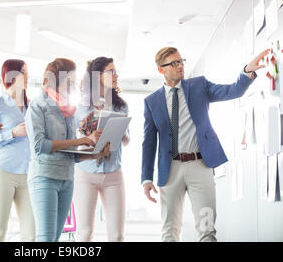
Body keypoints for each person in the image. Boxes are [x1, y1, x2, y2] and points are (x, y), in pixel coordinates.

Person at [141, 46, 269, 242]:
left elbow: (231, 91)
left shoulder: (199, 86)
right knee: (169, 232)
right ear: (161, 69)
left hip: (200, 166)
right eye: (174, 63)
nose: (180, 66)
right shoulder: (151, 101)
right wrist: (146, 178)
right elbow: (149, 141)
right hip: (170, 170)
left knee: (207, 229)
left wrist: (246, 72)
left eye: (181, 61)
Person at [25, 58, 111, 242]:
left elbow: (71, 153)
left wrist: (96, 154)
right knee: (46, 238)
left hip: (66, 179)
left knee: (55, 238)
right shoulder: (37, 106)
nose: (73, 87)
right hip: (44, 178)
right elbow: (40, 145)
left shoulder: (69, 111)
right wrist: (83, 139)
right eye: (69, 82)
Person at [73, 57, 130, 242]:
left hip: (113, 173)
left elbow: (127, 140)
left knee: (116, 235)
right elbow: (73, 142)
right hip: (85, 174)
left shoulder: (121, 106)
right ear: (97, 76)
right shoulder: (80, 107)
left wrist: (119, 131)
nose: (116, 76)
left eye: (116, 72)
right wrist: (88, 137)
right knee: (84, 233)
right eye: (111, 72)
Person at [0, 59, 35, 242]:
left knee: (31, 235)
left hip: (28, 176)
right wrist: (11, 133)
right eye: (24, 73)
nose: (28, 77)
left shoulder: (32, 106)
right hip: (2, 174)